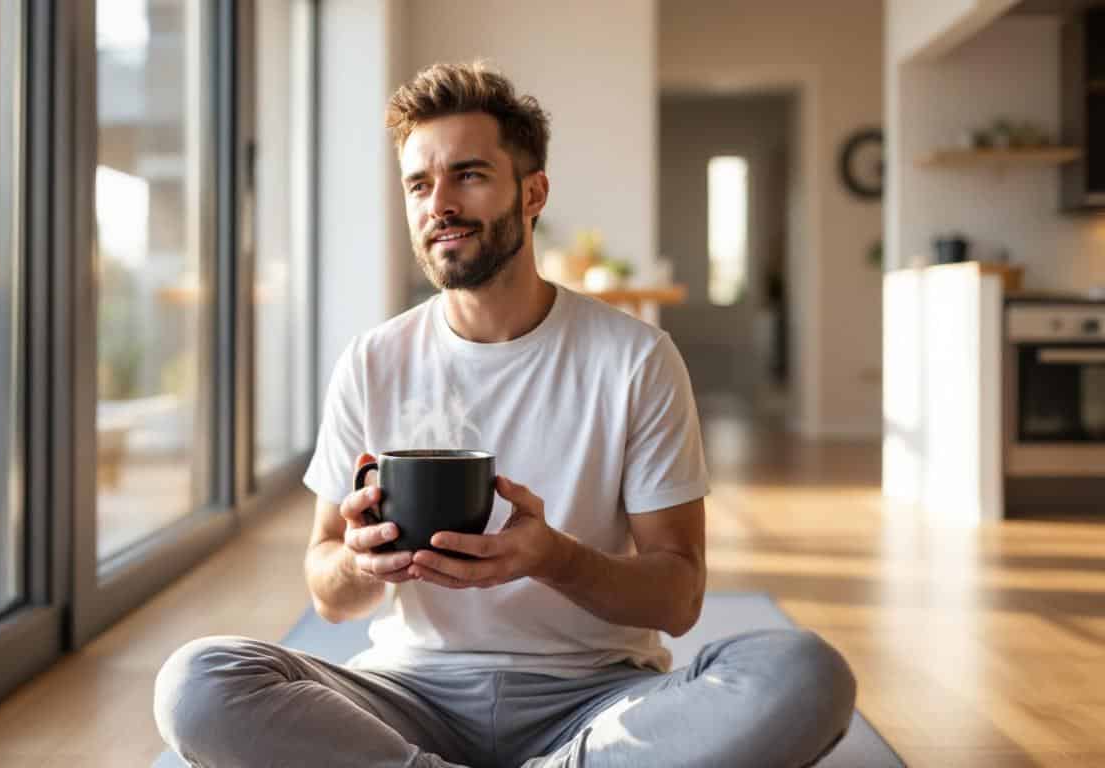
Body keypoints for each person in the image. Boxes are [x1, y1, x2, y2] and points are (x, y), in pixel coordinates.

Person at [154, 61, 855, 768]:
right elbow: (328, 588)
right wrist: (366, 566)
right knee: (197, 683)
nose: (440, 205)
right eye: (419, 185)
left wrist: (554, 558)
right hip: (406, 696)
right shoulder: (372, 360)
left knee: (803, 674)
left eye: (469, 174)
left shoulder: (635, 359)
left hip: (596, 700)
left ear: (533, 192)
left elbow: (678, 598)